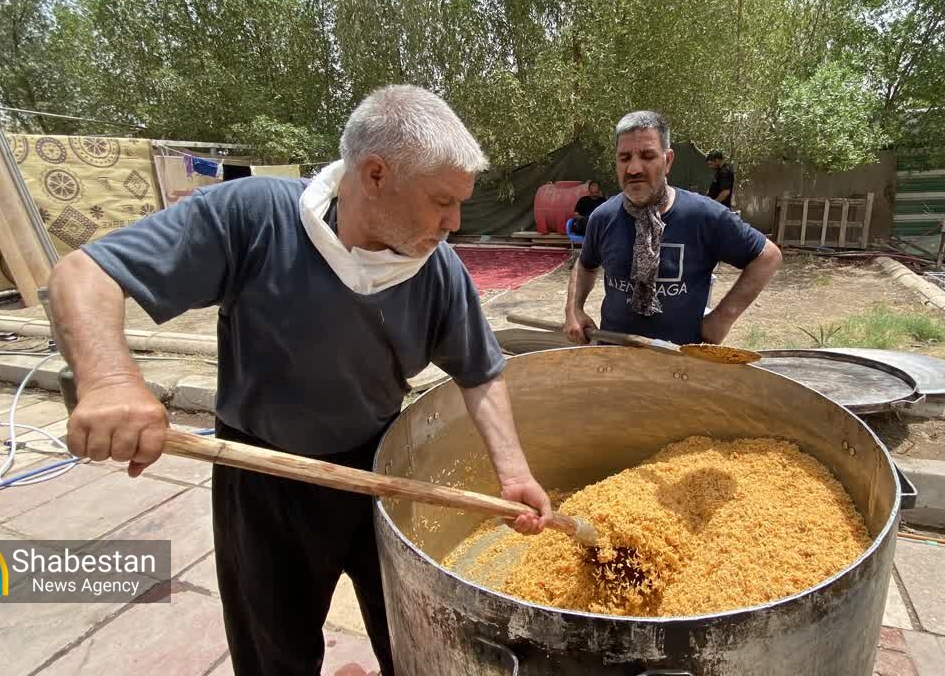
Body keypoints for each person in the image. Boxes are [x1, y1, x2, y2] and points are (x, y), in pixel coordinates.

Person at [47, 85, 553, 676]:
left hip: (378, 471)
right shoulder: (254, 216)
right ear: (375, 175)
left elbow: (480, 371)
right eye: (442, 201)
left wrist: (514, 475)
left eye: (460, 203)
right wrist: (111, 381)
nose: (454, 222)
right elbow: (85, 273)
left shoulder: (436, 268)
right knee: (275, 648)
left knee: (409, 633)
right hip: (263, 476)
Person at [563, 111, 781, 346]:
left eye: (647, 156)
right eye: (624, 158)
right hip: (614, 355)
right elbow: (585, 264)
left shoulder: (703, 216)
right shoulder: (603, 217)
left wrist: (722, 318)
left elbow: (767, 257)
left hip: (680, 359)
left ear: (667, 160)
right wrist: (573, 309)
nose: (633, 168)